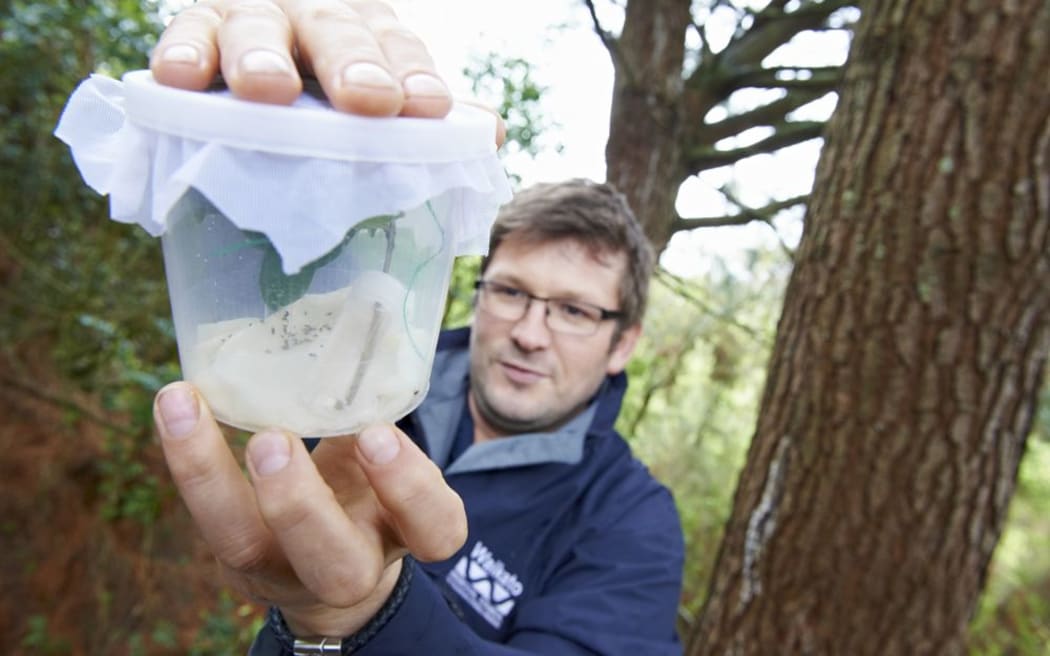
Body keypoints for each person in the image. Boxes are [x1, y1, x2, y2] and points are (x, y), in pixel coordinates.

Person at [149, 2, 685, 654]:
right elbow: (294, 264)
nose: (530, 333)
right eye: (512, 291)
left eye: (573, 311)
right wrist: (283, 124)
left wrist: (369, 613)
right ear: (478, 292)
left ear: (622, 343)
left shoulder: (628, 519)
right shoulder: (362, 378)